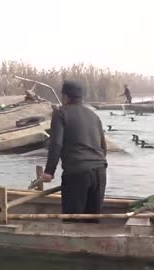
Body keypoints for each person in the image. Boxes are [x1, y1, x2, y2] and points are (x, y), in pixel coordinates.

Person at [41, 81, 108, 223]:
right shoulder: (94, 116)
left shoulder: (60, 113)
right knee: (93, 220)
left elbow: (56, 144)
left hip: (77, 173)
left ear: (65, 96)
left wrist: (49, 172)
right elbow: (103, 147)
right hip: (100, 172)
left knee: (72, 221)